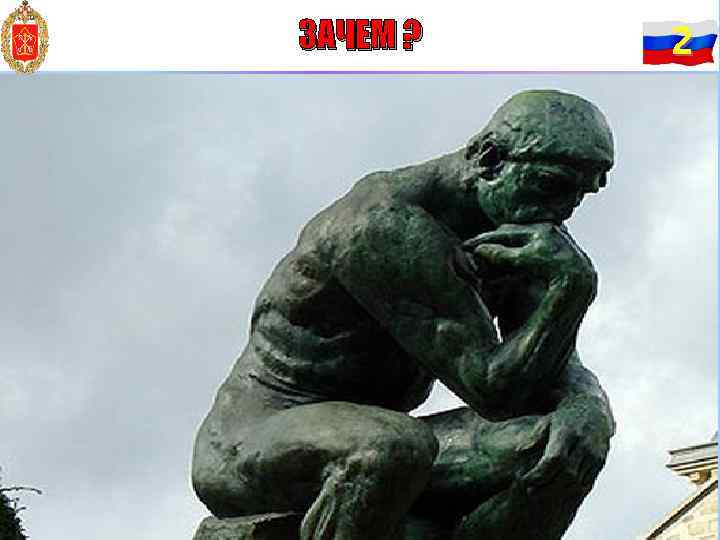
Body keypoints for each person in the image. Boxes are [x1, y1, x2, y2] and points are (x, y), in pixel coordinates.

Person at [192, 89, 616, 540]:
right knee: (389, 447)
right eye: (551, 185)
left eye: (580, 194)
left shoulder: (524, 231)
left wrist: (587, 405)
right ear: (490, 159)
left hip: (385, 436)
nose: (563, 209)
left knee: (563, 442)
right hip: (253, 441)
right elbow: (494, 390)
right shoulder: (381, 224)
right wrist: (572, 289)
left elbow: (555, 368)